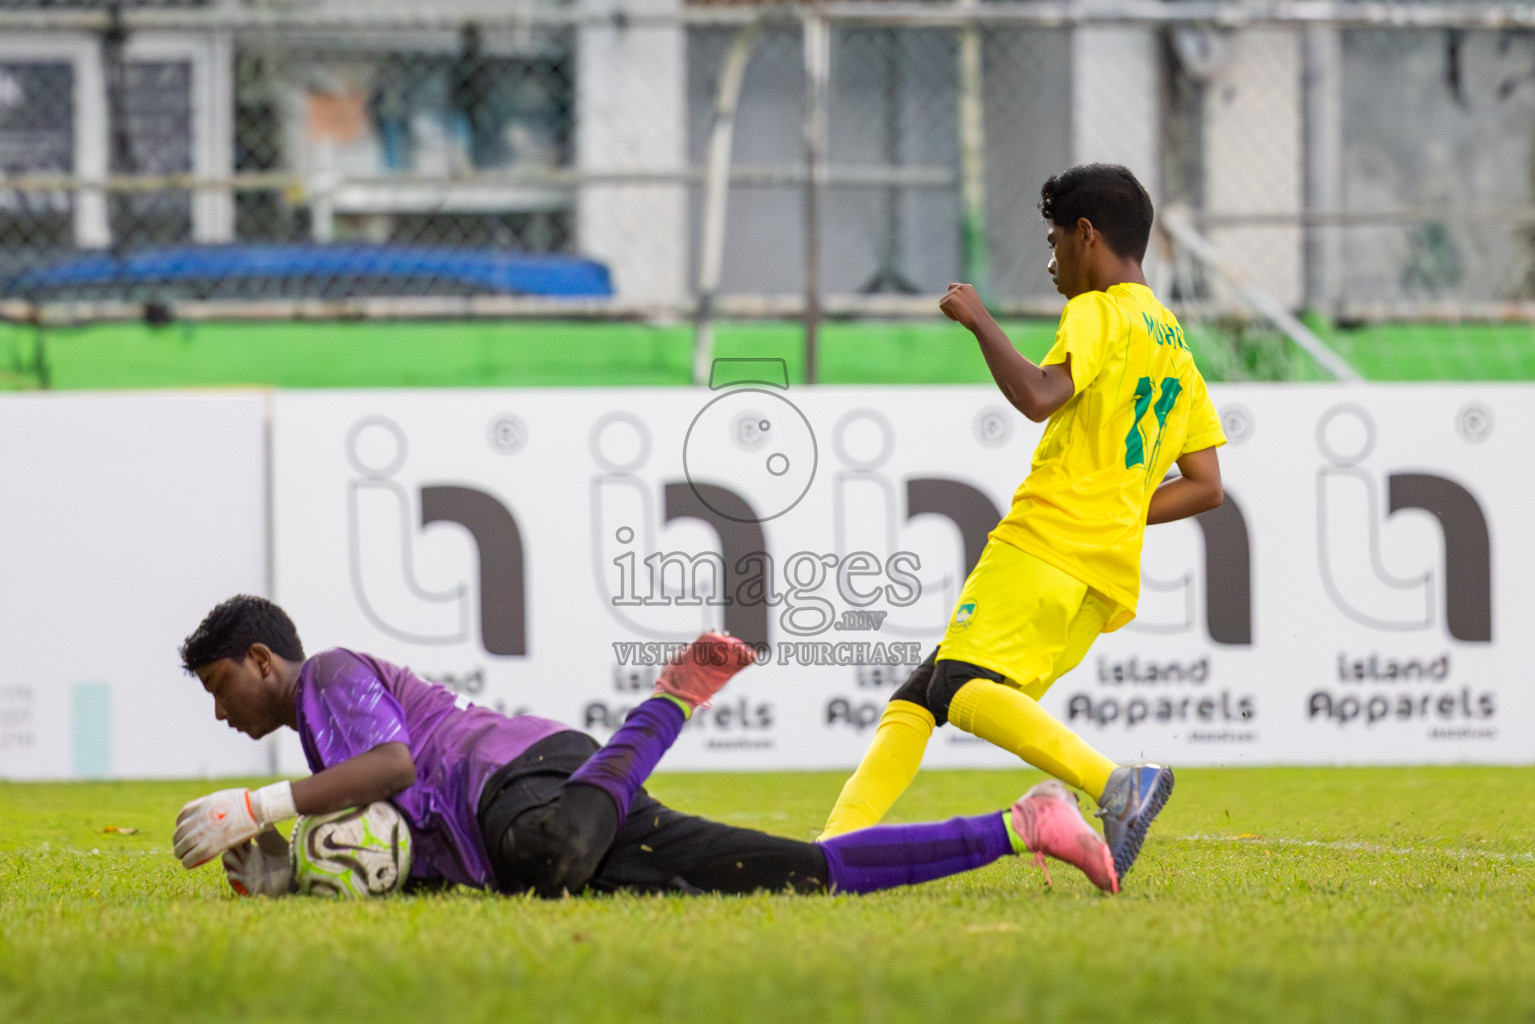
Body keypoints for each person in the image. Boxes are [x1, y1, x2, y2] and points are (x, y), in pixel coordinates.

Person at [820, 164, 1227, 889]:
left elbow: (1040, 396)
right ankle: (833, 851)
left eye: (1052, 243)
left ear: (1086, 236)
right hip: (1100, 572)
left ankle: (1115, 785)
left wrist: (979, 321)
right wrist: (1114, 509)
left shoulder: (1100, 312)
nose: (1049, 263)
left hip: (1042, 543)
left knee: (954, 685)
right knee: (922, 695)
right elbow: (1204, 488)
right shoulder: (1174, 344)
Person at [172, 595, 1120, 898]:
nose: (221, 712)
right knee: (800, 875)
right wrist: (292, 877)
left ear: (261, 659)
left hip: (520, 776)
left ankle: (669, 700)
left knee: (551, 860)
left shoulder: (330, 675)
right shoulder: (320, 736)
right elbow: (398, 840)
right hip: (543, 809)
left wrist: (256, 808)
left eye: (220, 687)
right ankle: (1023, 824)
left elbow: (395, 773)